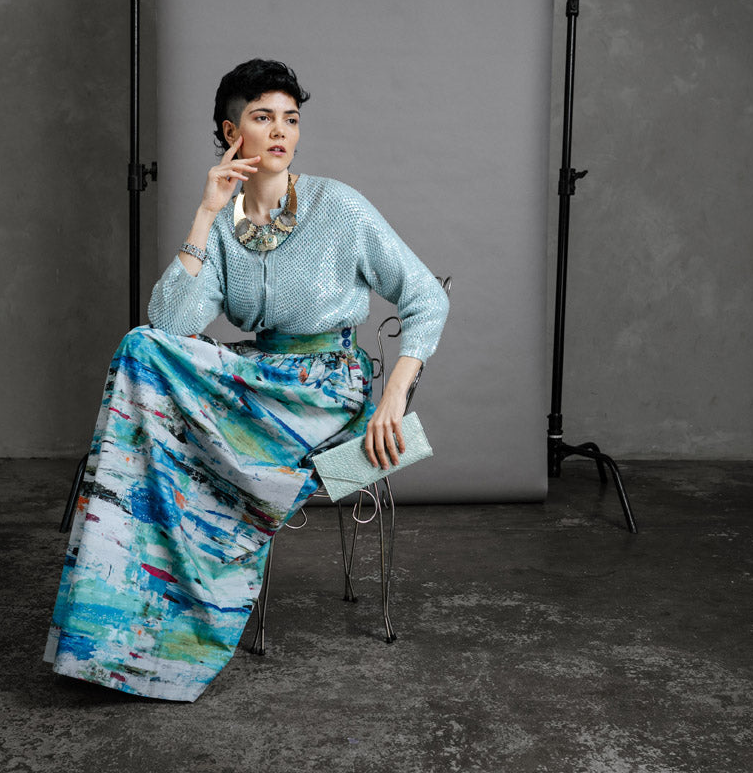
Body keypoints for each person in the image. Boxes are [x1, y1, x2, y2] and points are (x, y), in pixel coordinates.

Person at [43, 59, 449, 701]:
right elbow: (170, 327)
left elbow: (427, 298)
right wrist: (204, 217)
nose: (280, 130)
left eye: (290, 118)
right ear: (229, 131)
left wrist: (392, 397)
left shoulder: (338, 206)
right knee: (142, 349)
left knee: (155, 376)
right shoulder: (225, 222)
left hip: (327, 389)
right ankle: (119, 639)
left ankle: (169, 635)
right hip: (257, 380)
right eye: (262, 117)